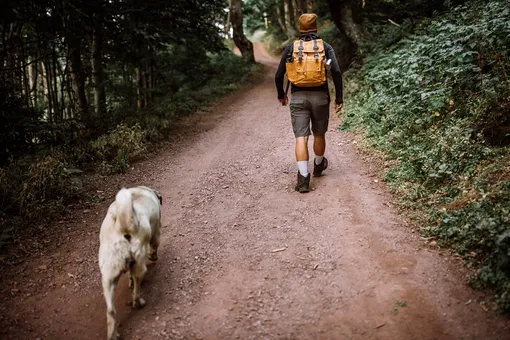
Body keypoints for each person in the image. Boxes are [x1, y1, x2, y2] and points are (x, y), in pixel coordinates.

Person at [275, 13, 343, 193]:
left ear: (300, 28)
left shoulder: (291, 48)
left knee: (301, 138)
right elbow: (335, 71)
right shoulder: (325, 47)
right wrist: (339, 98)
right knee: (319, 134)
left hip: (298, 97)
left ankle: (303, 179)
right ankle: (319, 166)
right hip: (321, 97)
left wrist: (282, 95)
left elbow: (278, 75)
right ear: (316, 27)